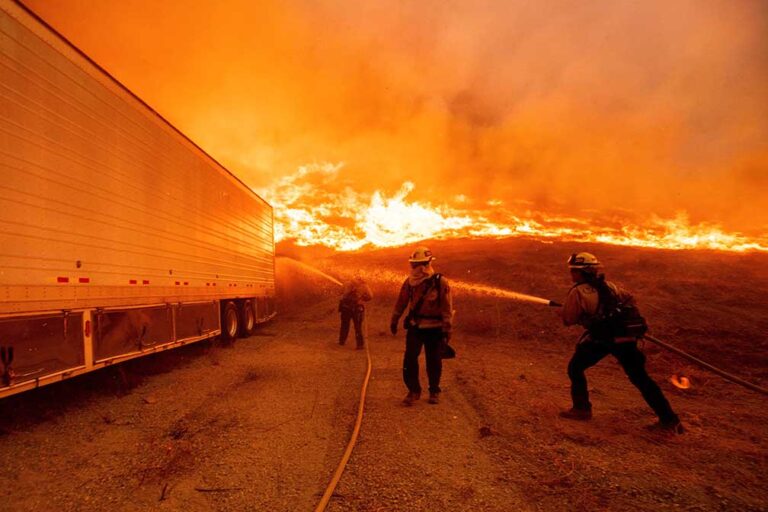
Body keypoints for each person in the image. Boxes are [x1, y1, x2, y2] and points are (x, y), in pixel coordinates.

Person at [558, 252, 684, 433]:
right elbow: (629, 301)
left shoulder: (578, 291)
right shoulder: (610, 286)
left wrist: (566, 313)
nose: (571, 275)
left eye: (573, 271)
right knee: (641, 379)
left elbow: (568, 320)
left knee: (575, 368)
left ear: (580, 273)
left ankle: (581, 409)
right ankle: (669, 419)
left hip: (603, 339)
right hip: (625, 338)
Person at [390, 246, 453, 405]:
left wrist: (447, 329)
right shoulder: (409, 283)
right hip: (415, 327)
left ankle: (434, 391)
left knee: (434, 360)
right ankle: (413, 391)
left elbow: (447, 307)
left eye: (421, 263)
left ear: (428, 263)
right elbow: (401, 301)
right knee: (410, 359)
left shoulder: (440, 282)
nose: (417, 268)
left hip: (435, 328)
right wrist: (395, 319)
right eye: (414, 264)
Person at [338, 276, 373, 349]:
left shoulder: (347, 283)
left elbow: (340, 292)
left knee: (345, 326)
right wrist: (362, 299)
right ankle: (360, 344)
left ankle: (342, 341)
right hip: (357, 309)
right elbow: (370, 296)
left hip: (346, 308)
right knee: (358, 327)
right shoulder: (364, 285)